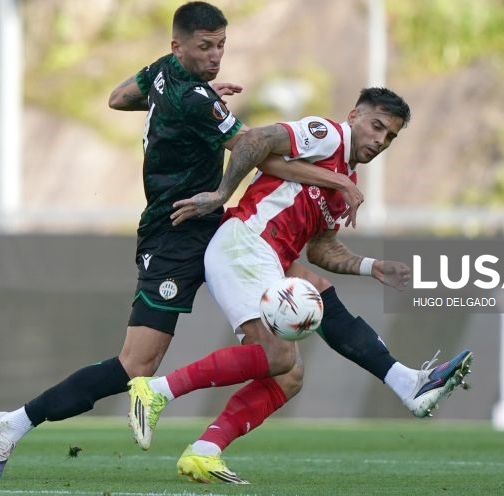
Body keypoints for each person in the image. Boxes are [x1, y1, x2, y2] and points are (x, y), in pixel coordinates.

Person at [0, 0, 363, 480]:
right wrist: (337, 181)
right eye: (204, 47)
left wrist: (182, 97)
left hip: (218, 229)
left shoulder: (165, 76)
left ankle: (211, 445)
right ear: (177, 45)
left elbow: (118, 98)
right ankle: (12, 423)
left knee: (287, 356)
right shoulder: (197, 100)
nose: (215, 56)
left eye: (221, 45)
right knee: (135, 365)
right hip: (176, 233)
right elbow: (255, 151)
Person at [127, 88, 473, 484]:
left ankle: (205, 451)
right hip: (245, 242)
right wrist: (223, 193)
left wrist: (371, 266)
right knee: (278, 357)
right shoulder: (326, 135)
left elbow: (323, 249)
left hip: (269, 258)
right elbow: (255, 140)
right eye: (376, 126)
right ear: (354, 116)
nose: (380, 141)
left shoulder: (347, 183)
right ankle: (156, 390)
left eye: (390, 136)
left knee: (290, 373)